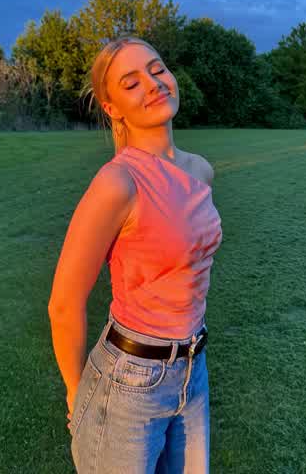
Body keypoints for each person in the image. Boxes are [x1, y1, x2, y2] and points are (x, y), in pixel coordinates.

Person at [47, 36, 223, 473]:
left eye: (157, 69)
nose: (153, 83)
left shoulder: (201, 170)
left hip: (193, 370)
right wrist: (76, 391)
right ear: (113, 109)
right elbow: (64, 303)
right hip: (129, 381)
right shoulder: (118, 183)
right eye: (131, 83)